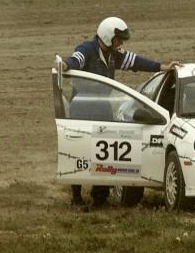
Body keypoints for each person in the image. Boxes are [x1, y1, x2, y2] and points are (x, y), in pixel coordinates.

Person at [57, 16, 180, 207]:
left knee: (103, 153)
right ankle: (76, 196)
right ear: (108, 37)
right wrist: (64, 65)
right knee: (79, 150)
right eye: (119, 39)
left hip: (103, 108)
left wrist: (162, 67)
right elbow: (75, 60)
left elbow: (136, 62)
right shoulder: (86, 49)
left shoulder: (114, 54)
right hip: (82, 109)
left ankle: (100, 196)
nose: (121, 43)